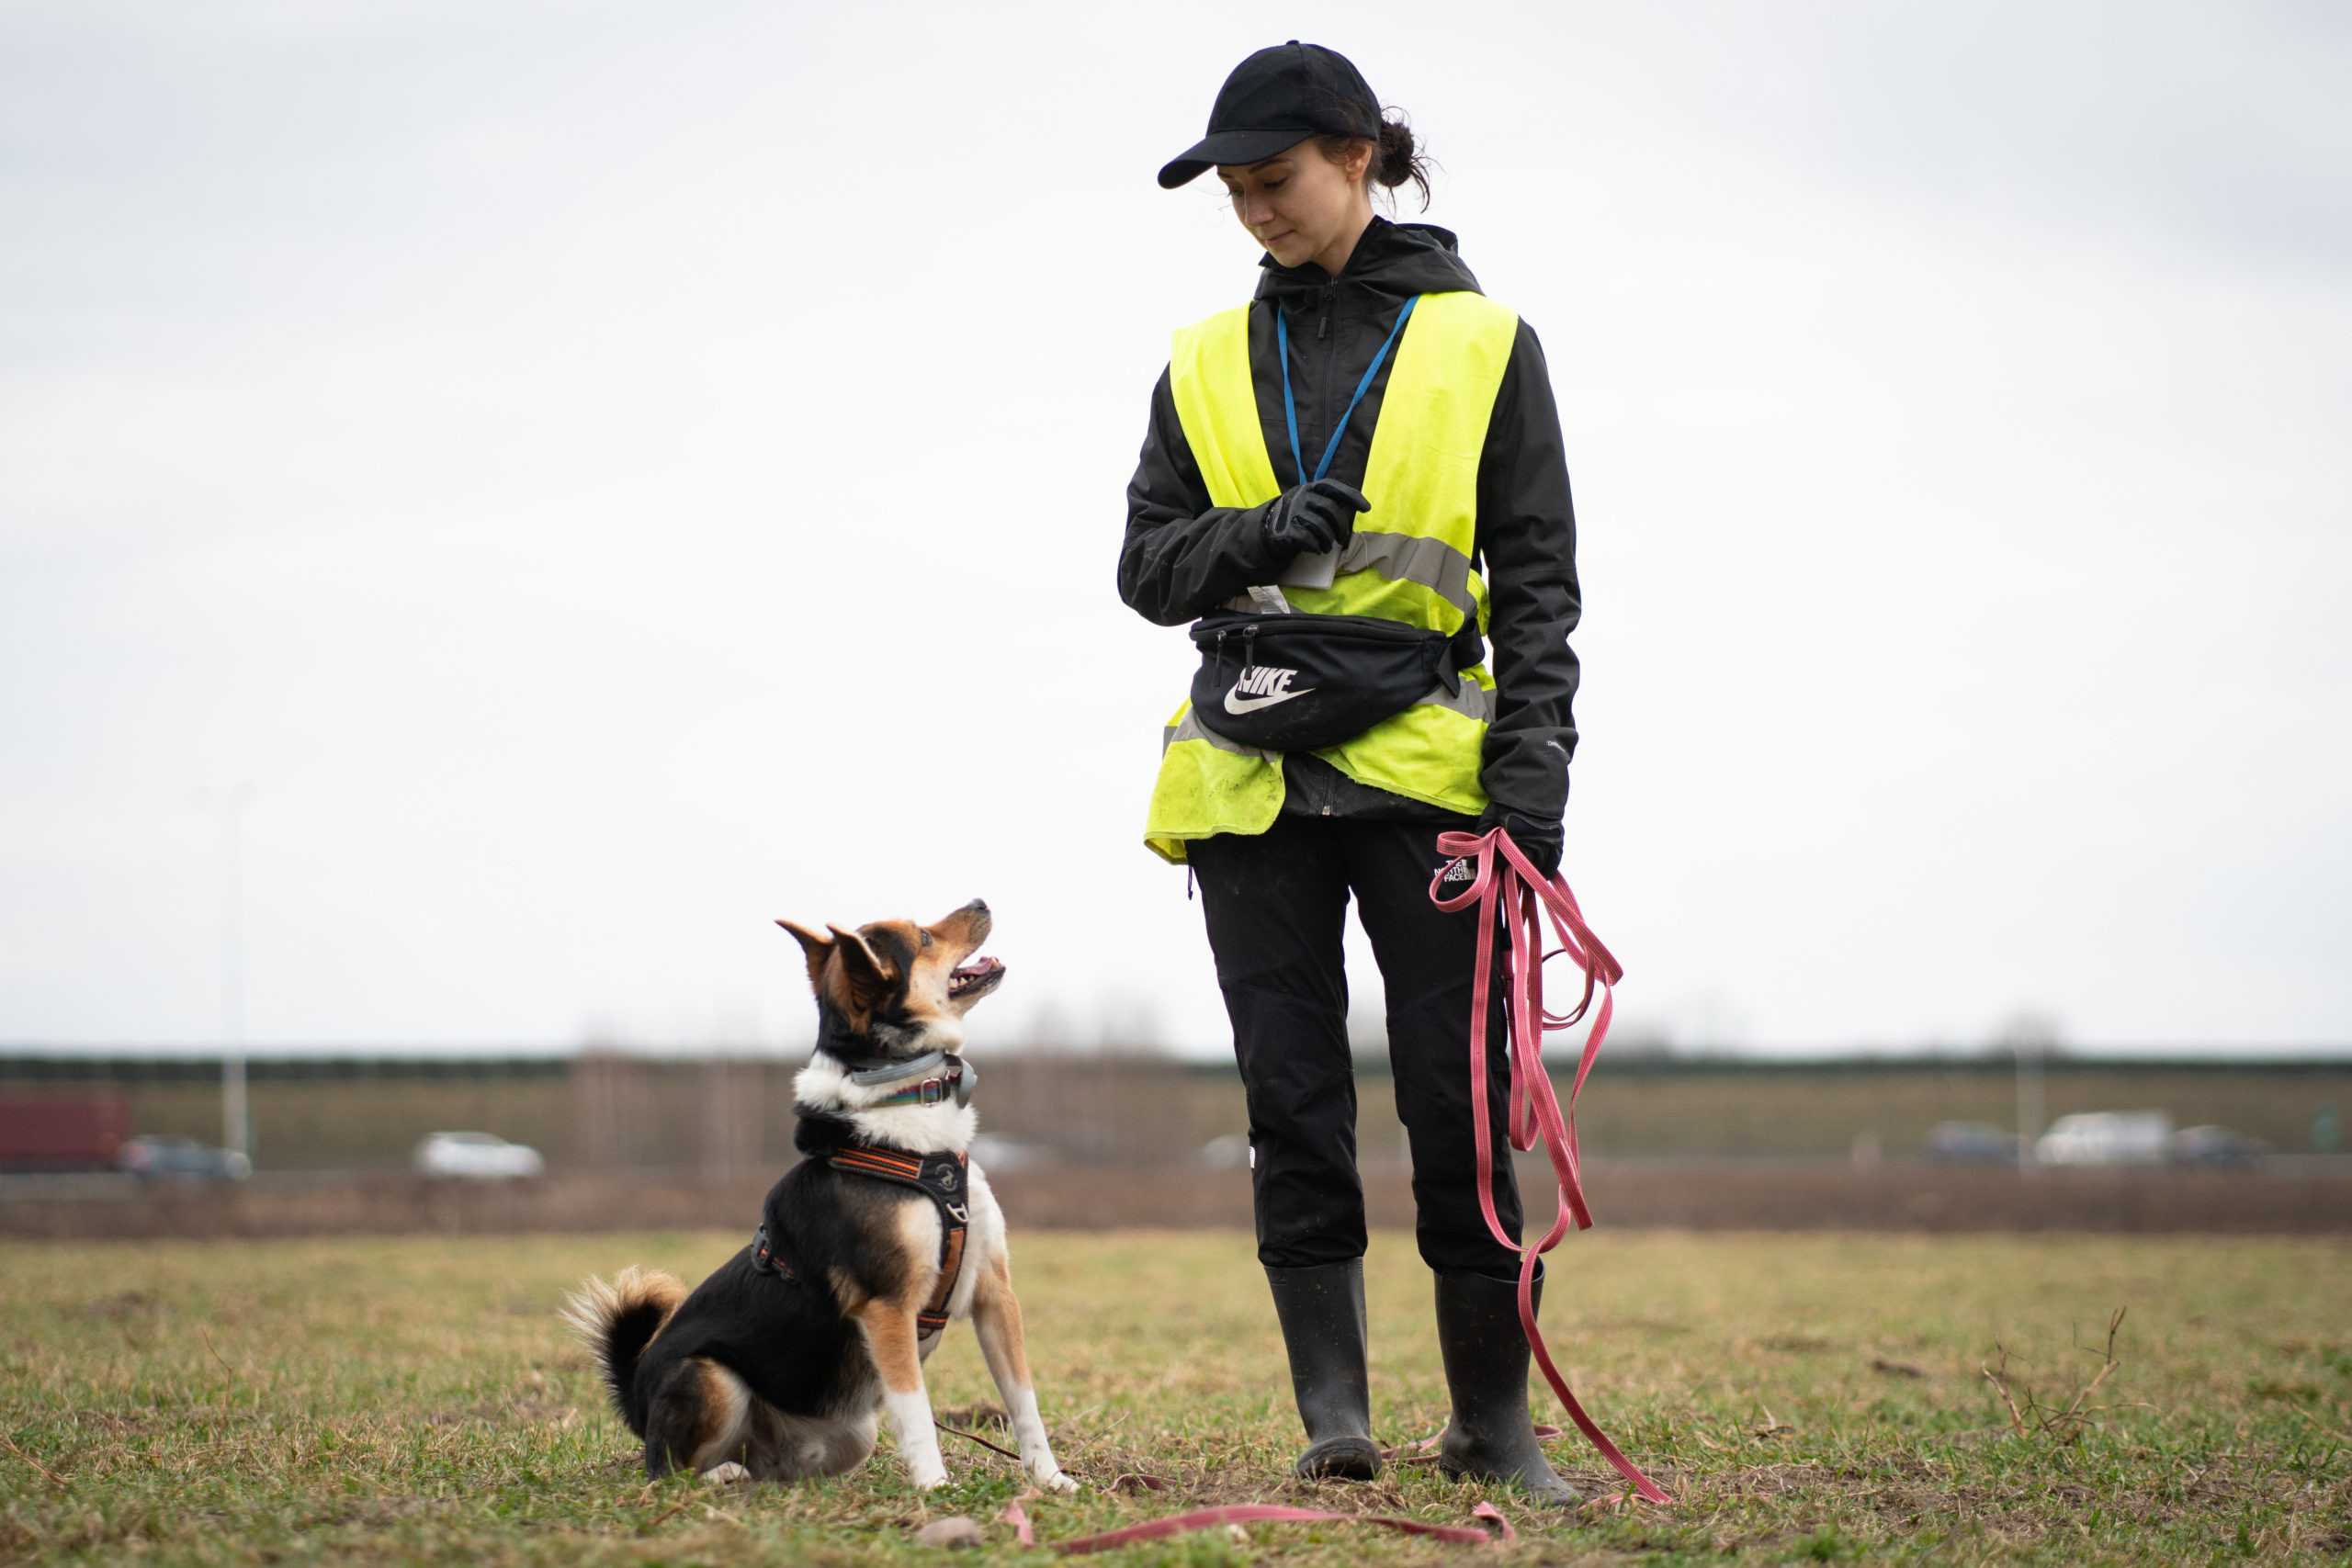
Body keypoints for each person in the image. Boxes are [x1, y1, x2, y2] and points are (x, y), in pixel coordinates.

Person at [1117, 42, 1585, 1505]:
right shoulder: (1199, 358)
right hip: (1248, 785)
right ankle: (1335, 1423)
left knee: (1457, 1106)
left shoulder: (1487, 342)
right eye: (1236, 193)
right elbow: (1145, 567)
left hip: (1429, 781)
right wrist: (1255, 532)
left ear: (1359, 157)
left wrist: (1537, 765)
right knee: (1291, 1107)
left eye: (1277, 181)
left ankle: (1496, 1430)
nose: (1256, 211)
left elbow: (1539, 586)